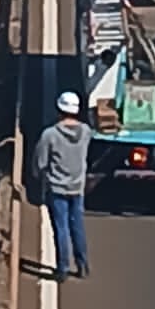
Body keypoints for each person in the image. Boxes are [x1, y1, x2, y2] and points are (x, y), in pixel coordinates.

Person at [34, 91, 92, 282]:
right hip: (77, 188)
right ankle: (82, 264)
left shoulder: (49, 135)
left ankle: (63, 268)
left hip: (57, 188)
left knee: (61, 227)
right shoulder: (85, 132)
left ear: (59, 109)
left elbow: (40, 162)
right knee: (77, 225)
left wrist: (38, 176)